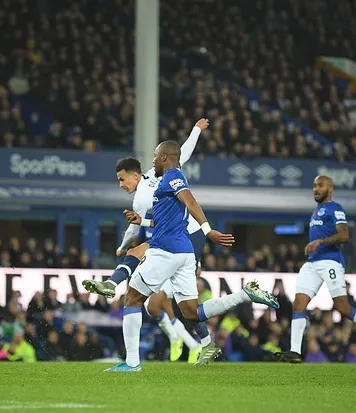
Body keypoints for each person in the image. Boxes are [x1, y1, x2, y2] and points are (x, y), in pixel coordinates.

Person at [105, 140, 279, 372]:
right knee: (191, 311)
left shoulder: (172, 177)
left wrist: (208, 231)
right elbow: (169, 218)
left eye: (156, 156)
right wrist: (142, 221)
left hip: (165, 250)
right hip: (184, 253)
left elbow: (190, 200)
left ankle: (132, 363)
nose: (154, 160)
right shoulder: (166, 182)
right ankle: (244, 295)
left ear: (165, 157)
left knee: (132, 299)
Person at [83, 119, 210, 364]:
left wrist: (122, 246)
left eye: (122, 180)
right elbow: (183, 152)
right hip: (187, 233)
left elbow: (139, 228)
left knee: (143, 258)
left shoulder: (141, 199)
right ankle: (200, 342)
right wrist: (195, 129)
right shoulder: (156, 173)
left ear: (134, 175)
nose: (121, 185)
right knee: (162, 305)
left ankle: (112, 282)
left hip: (183, 235)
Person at [278, 176, 356, 363]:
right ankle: (295, 352)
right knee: (298, 304)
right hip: (312, 263)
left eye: (320, 186)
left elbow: (344, 235)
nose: (315, 189)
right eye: (314, 186)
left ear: (330, 189)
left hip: (330, 262)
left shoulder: (335, 209)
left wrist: (321, 242)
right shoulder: (315, 212)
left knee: (343, 308)